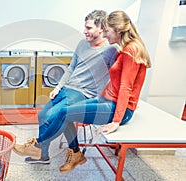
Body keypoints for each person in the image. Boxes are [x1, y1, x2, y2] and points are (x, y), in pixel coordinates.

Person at [13, 10, 151, 173]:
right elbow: (119, 81)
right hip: (105, 100)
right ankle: (65, 153)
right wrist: (59, 89)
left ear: (117, 30)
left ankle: (38, 146)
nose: (106, 35)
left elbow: (126, 87)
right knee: (58, 114)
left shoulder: (124, 50)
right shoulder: (125, 49)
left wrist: (116, 120)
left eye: (107, 31)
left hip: (111, 106)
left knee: (62, 113)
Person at [25, 10, 119, 164]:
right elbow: (71, 68)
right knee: (42, 115)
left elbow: (117, 76)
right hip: (67, 89)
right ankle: (71, 152)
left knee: (56, 115)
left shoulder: (111, 49)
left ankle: (40, 151)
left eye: (89, 28)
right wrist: (57, 88)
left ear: (101, 29)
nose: (84, 31)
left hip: (83, 94)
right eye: (85, 27)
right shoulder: (82, 44)